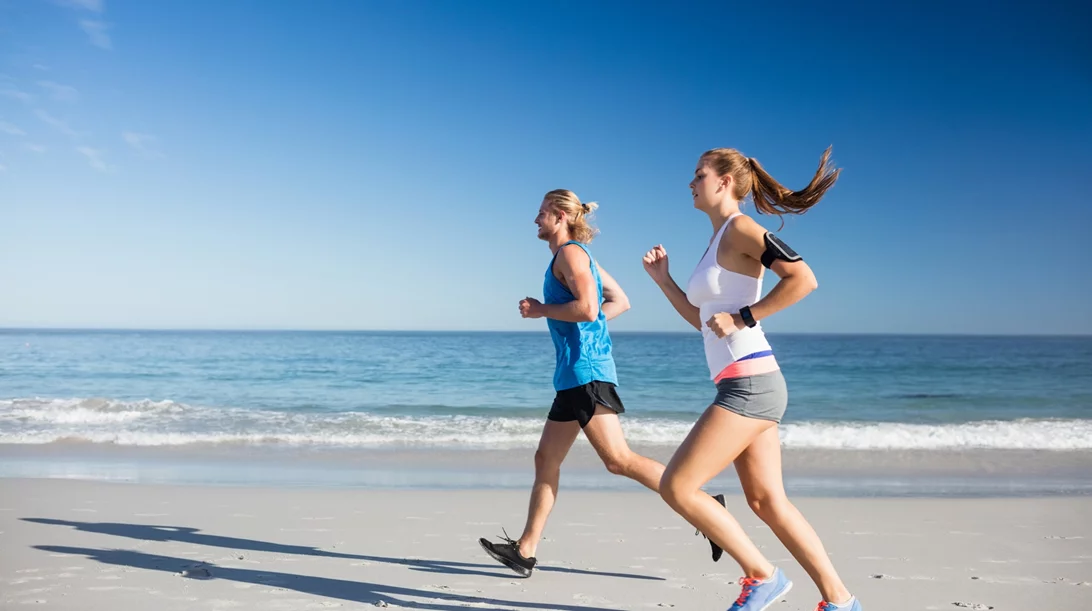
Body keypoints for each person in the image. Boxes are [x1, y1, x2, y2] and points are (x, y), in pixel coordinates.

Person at [642, 148, 862, 611]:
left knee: (677, 486)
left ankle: (762, 576)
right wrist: (664, 282)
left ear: (724, 182)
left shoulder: (741, 228)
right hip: (745, 381)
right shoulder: (718, 238)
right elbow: (704, 322)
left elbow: (803, 279)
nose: (691, 183)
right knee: (766, 502)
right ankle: (841, 601)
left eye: (699, 175)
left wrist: (744, 317)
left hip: (751, 383)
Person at [479, 189, 725, 577]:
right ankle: (525, 550)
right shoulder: (578, 257)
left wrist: (542, 310)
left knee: (618, 460)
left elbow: (589, 308)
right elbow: (619, 301)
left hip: (587, 372)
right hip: (572, 374)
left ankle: (707, 507)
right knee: (546, 459)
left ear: (560, 216)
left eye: (542, 212)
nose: (536, 219)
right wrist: (587, 325)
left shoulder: (571, 255)